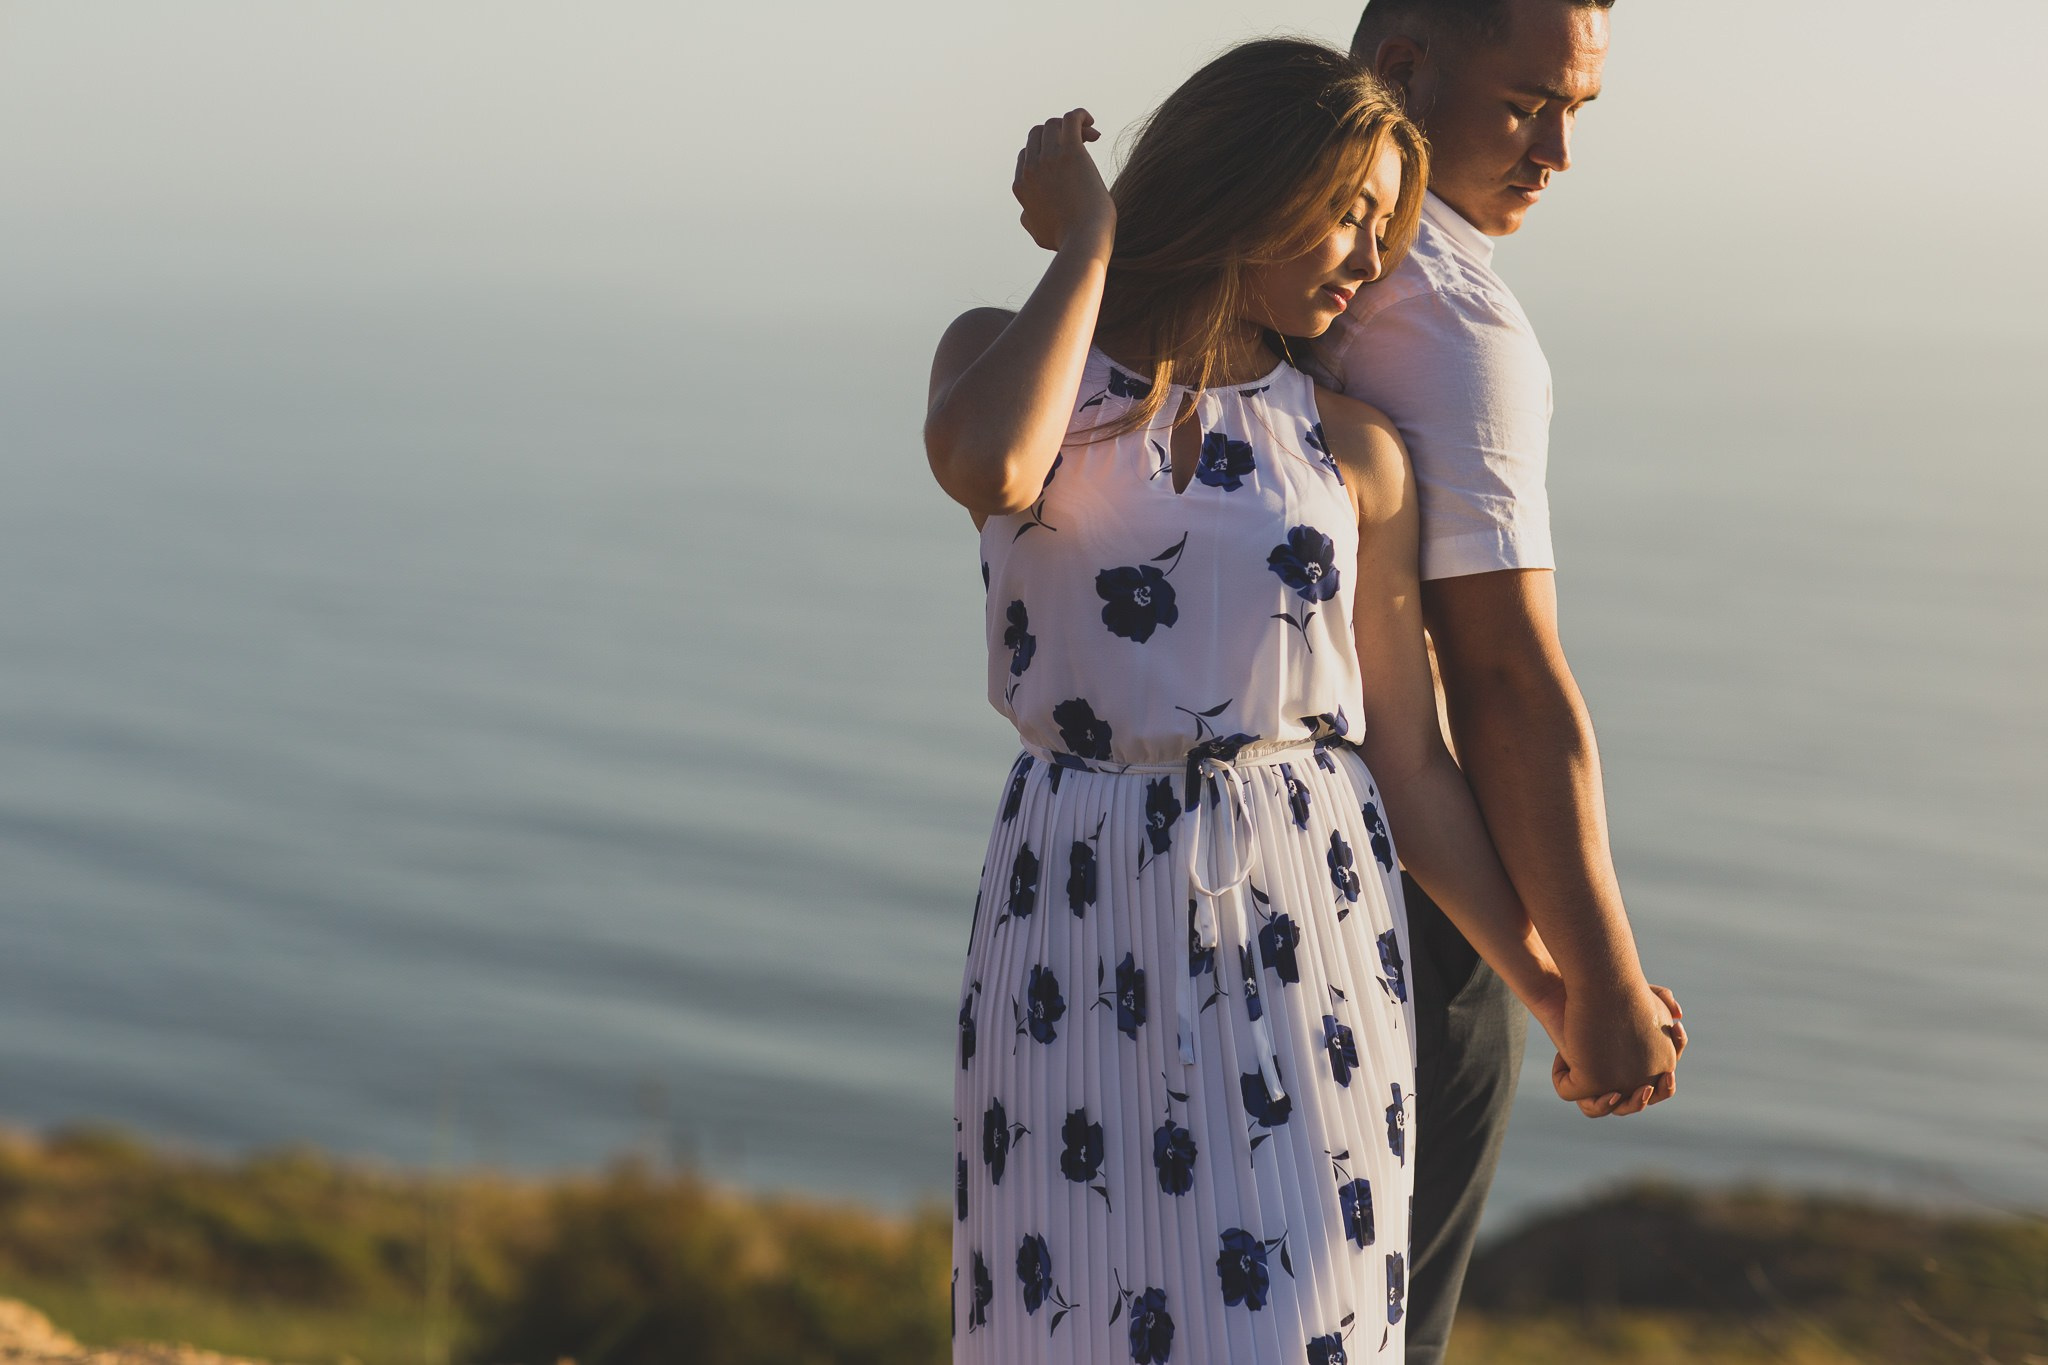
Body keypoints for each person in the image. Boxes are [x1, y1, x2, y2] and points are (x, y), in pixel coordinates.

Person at [925, 38, 1669, 1363]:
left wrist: (1553, 986)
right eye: (1347, 212)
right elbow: (995, 465)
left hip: (1304, 927)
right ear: (1240, 184)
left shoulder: (1354, 449)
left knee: (1292, 1326)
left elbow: (1412, 763)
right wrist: (1089, 241)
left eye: (1388, 224)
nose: (1370, 253)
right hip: (1074, 920)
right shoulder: (1001, 355)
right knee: (1064, 1323)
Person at [1324, 2, 1685, 1360]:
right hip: (1411, 905)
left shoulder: (1256, 269)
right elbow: (1504, 678)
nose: (1558, 153)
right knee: (1375, 1324)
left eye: (1578, 111)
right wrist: (1596, 979)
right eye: (1530, 103)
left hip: (1203, 865)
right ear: (1405, 67)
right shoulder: (1449, 315)